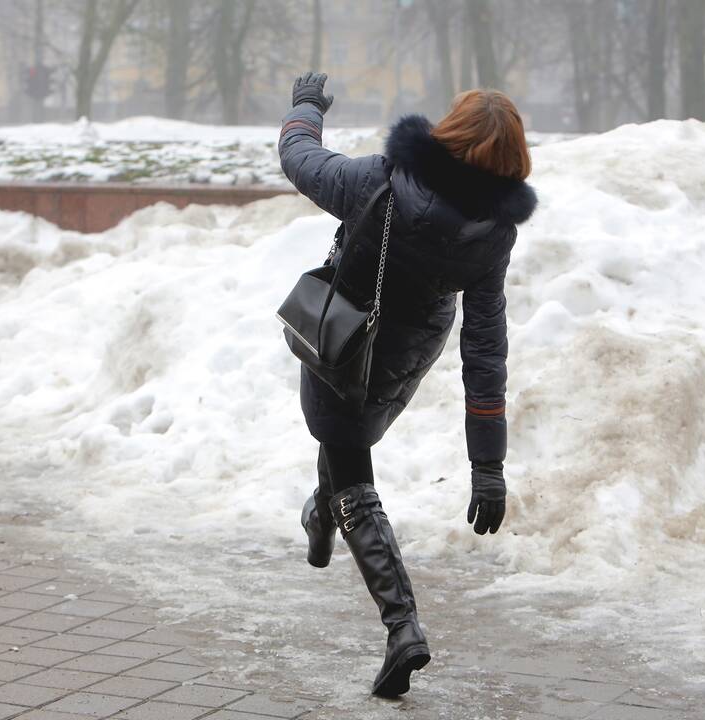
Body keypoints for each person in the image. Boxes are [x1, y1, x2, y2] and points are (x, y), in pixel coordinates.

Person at [278, 72, 538, 698]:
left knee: (352, 475)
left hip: (343, 332)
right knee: (344, 445)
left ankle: (403, 629)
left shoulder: (383, 179)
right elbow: (485, 345)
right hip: (405, 354)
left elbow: (300, 159)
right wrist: (488, 464)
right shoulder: (492, 233)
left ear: (451, 132)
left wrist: (305, 109)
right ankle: (321, 515)